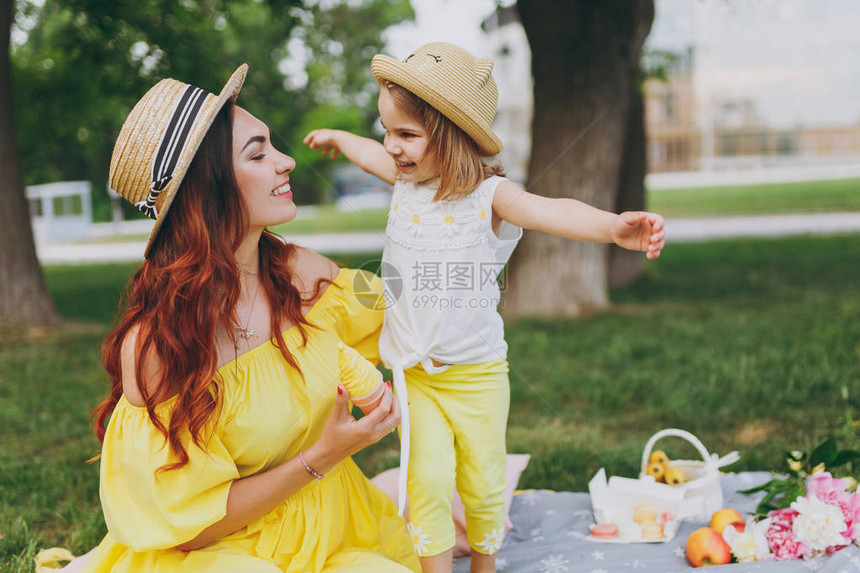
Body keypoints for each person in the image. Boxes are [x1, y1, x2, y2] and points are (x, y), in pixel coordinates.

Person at [303, 42, 666, 573]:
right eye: (387, 132)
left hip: (477, 375)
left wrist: (612, 227)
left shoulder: (489, 196)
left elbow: (550, 211)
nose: (392, 147)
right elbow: (369, 153)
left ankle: (484, 562)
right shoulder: (405, 184)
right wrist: (339, 138)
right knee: (423, 478)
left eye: (406, 135)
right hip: (414, 374)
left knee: (481, 474)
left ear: (450, 135)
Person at [69, 64, 421, 572]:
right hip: (222, 551)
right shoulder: (155, 348)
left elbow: (416, 325)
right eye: (257, 154)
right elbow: (191, 528)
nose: (287, 163)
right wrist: (323, 454)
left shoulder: (303, 276)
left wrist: (445, 194)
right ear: (207, 189)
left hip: (332, 527)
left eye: (272, 146)